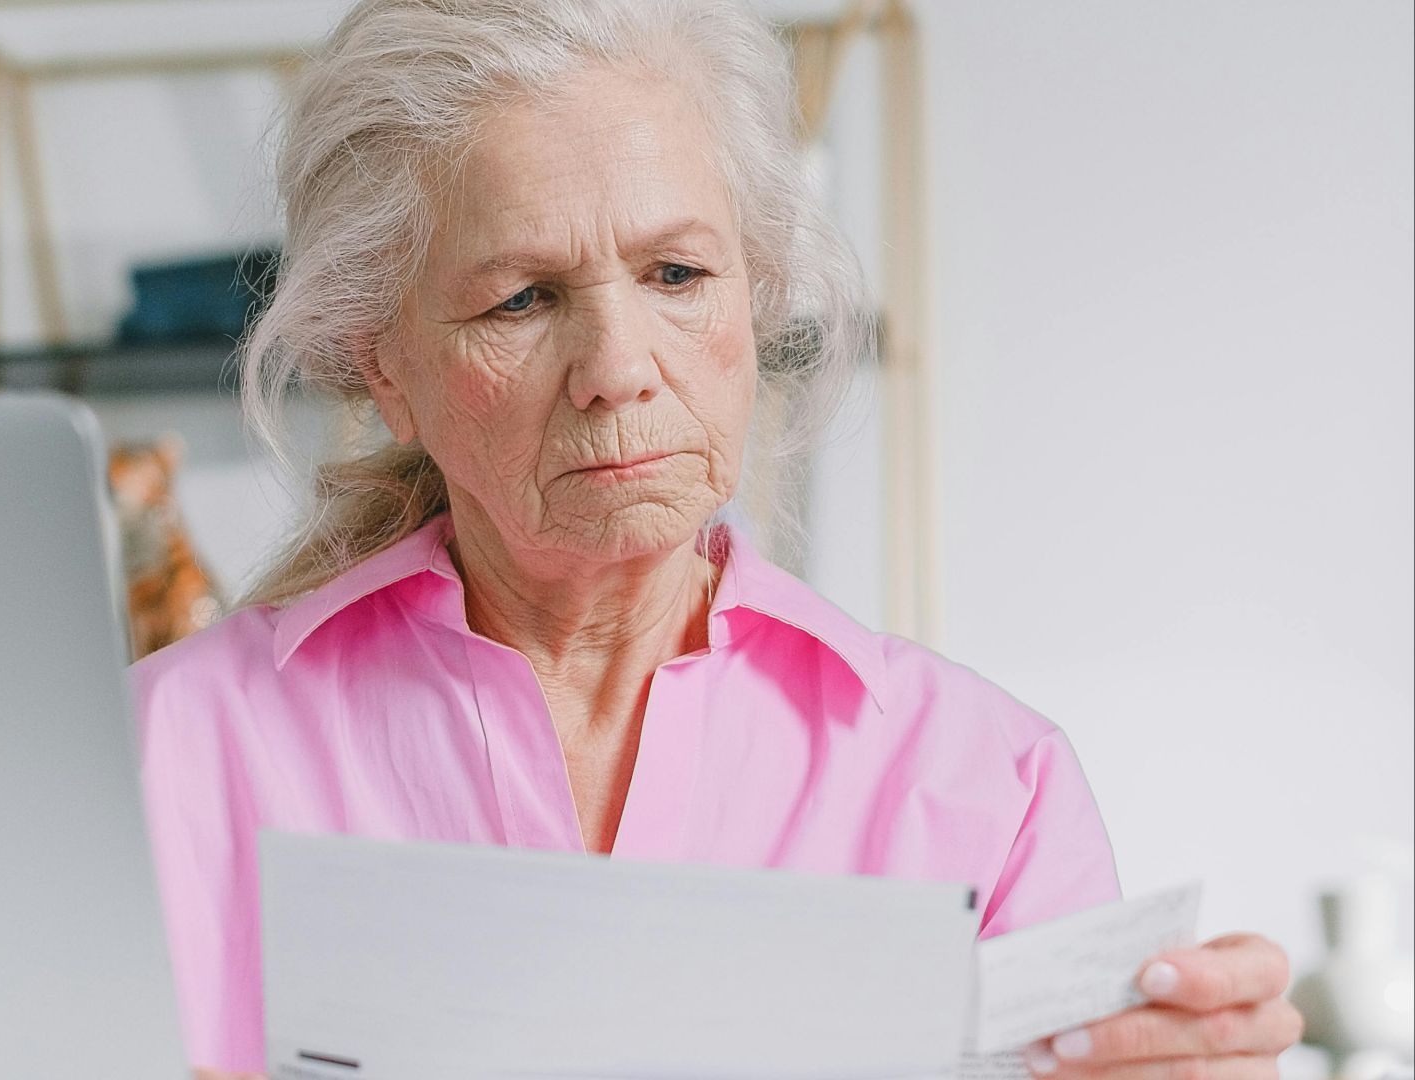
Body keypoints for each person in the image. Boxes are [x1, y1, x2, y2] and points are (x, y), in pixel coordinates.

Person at [129, 1, 1304, 1076]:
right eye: (521, 300)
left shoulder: (989, 782)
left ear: (756, 295)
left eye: (678, 272)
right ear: (387, 367)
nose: (620, 368)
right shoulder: (159, 757)